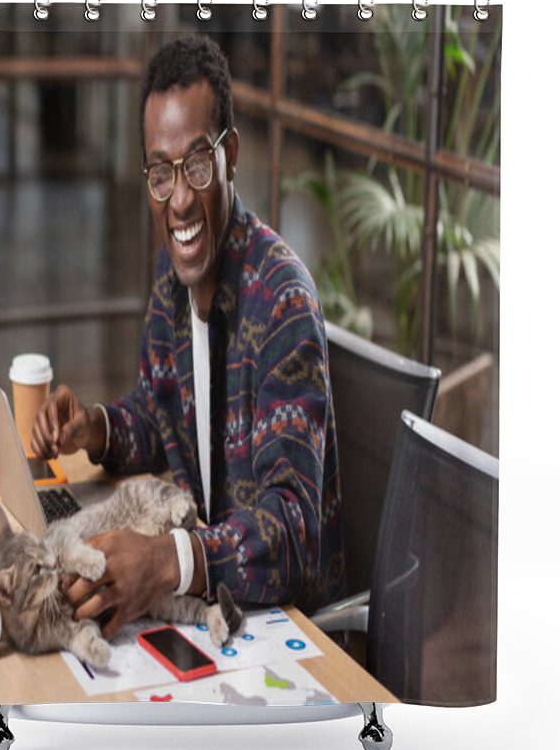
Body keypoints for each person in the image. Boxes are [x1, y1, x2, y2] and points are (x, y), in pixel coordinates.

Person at [32, 34, 345, 639]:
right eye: (159, 172)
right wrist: (93, 427)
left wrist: (165, 561)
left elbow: (293, 527)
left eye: (198, 165)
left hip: (287, 629)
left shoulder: (282, 304)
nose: (178, 200)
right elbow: (161, 419)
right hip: (203, 610)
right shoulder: (171, 277)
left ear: (233, 158)